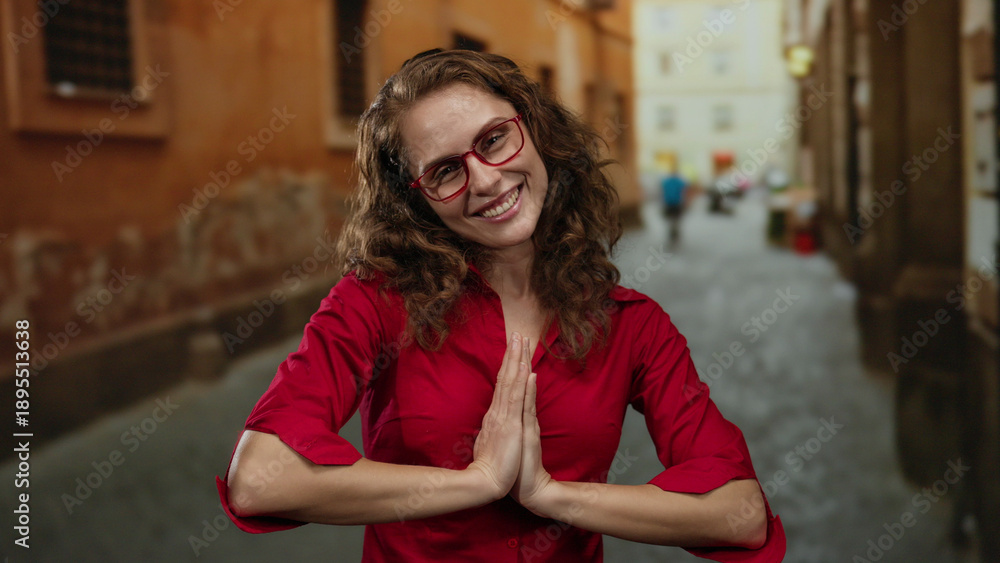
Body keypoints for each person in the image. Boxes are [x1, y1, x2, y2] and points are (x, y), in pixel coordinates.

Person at [216, 49, 785, 561]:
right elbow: (261, 479)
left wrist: (551, 495)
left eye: (493, 140)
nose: (485, 180)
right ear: (415, 202)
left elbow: (739, 516)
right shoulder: (374, 303)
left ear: (535, 132)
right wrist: (479, 481)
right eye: (444, 171)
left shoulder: (634, 326)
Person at [661, 170, 688, 246]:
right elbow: (684, 191)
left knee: (670, 218)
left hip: (668, 202)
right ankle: (675, 230)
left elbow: (663, 191)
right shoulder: (679, 182)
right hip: (677, 202)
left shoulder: (666, 182)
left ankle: (672, 230)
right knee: (676, 218)